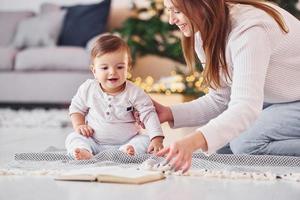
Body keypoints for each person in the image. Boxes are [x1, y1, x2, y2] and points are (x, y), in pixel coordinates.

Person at [155, 0, 300, 172]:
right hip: (283, 99)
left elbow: (245, 107)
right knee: (223, 152)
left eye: (177, 11)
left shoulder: (249, 30)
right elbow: (220, 99)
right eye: (169, 11)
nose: (171, 20)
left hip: (292, 100)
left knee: (246, 143)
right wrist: (169, 113)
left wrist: (193, 141)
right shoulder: (204, 31)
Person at [65, 34, 164, 160]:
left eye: (120, 67)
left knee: (144, 140)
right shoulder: (88, 88)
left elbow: (149, 114)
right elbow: (76, 108)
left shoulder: (135, 92)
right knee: (73, 137)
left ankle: (127, 153)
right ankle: (84, 152)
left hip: (127, 142)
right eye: (105, 67)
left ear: (128, 68)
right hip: (94, 142)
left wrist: (157, 138)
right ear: (94, 71)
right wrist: (79, 125)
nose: (112, 72)